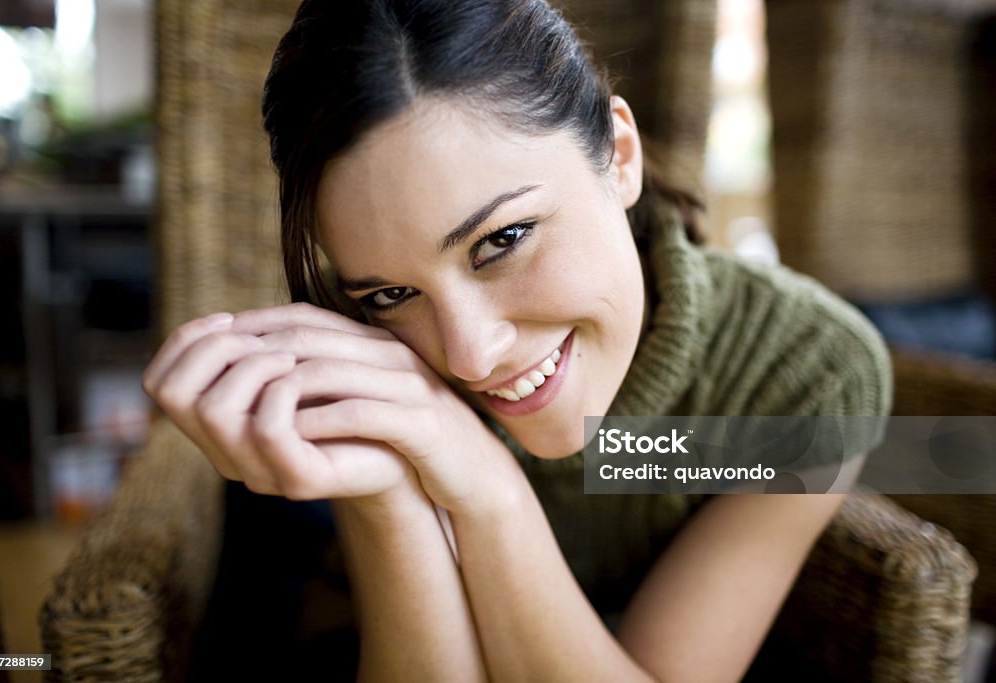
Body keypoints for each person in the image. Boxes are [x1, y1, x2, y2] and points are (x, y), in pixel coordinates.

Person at [142, 0, 892, 680]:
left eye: (503, 239)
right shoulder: (371, 353)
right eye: (393, 293)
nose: (469, 355)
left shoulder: (809, 376)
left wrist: (486, 489)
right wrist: (396, 492)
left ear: (619, 153)